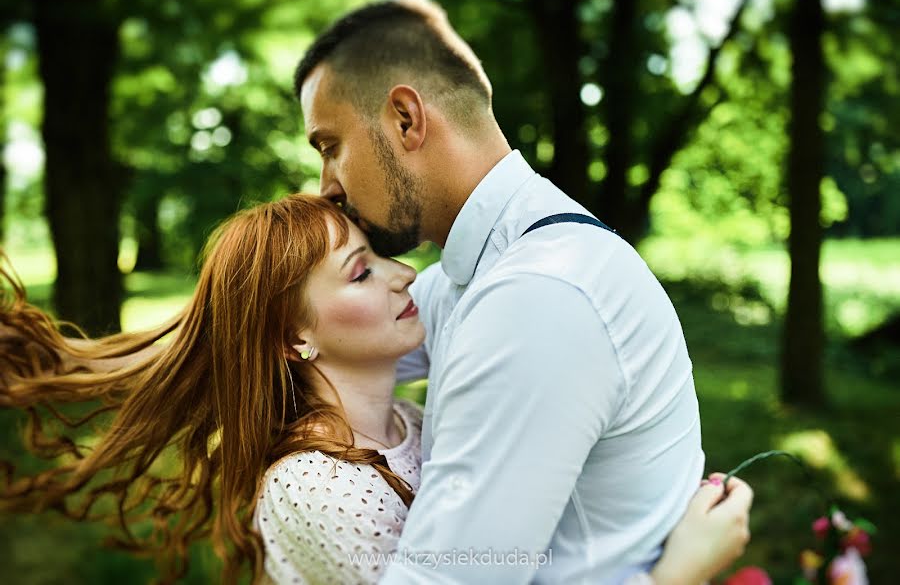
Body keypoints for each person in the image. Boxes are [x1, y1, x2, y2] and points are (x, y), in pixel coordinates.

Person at [0, 195, 748, 585]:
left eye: (378, 257)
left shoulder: (412, 422)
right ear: (295, 339)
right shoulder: (315, 487)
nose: (401, 274)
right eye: (360, 272)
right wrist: (678, 570)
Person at [292, 0, 747, 583]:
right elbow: (320, 345)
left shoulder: (536, 297)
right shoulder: (488, 261)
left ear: (405, 119)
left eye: (330, 146)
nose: (326, 185)